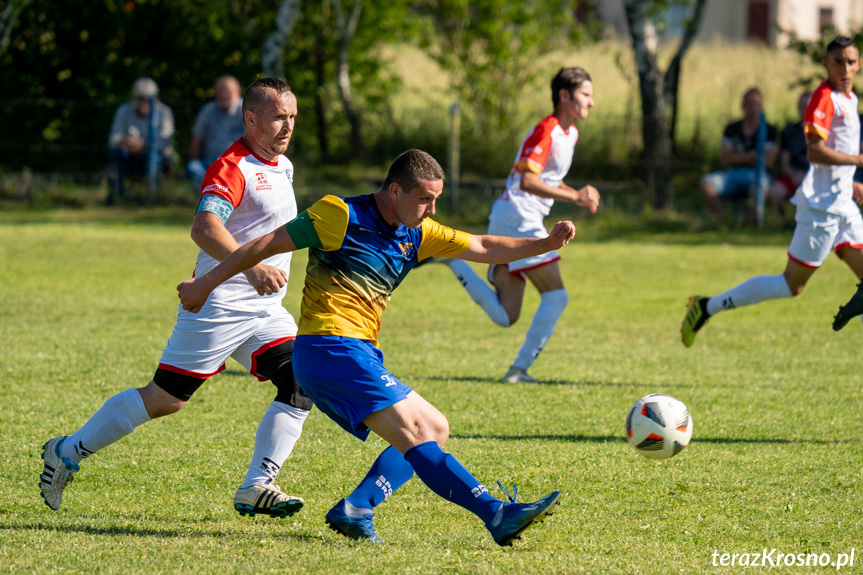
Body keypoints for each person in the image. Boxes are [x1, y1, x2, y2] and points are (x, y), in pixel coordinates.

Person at [177, 149, 573, 546]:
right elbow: (260, 246)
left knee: (435, 427)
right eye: (424, 199)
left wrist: (545, 243)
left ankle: (356, 508)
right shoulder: (339, 214)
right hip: (327, 348)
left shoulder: (419, 232)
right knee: (417, 431)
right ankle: (495, 513)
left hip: (357, 351)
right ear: (395, 190)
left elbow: (484, 246)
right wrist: (203, 284)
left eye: (436, 200)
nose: (432, 209)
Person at [40, 78, 312, 520]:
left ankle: (257, 484)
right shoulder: (232, 166)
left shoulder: (283, 165)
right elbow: (204, 228)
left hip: (264, 310)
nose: (288, 126)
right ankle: (66, 451)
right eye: (279, 117)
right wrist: (252, 267)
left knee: (303, 381)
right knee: (166, 398)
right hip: (221, 304)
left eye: (293, 117)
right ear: (251, 119)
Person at [682, 36, 863, 346]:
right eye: (838, 62)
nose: (845, 68)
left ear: (858, 64)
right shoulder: (824, 98)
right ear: (825, 64)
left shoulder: (850, 98)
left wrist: (851, 179)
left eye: (851, 62)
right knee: (790, 285)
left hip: (844, 203)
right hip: (821, 209)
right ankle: (705, 307)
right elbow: (815, 152)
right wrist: (857, 161)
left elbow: (836, 153)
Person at [438, 67, 600, 384]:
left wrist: (576, 195)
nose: (591, 102)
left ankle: (455, 261)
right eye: (586, 95)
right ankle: (519, 370)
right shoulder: (547, 130)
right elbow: (527, 180)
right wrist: (575, 196)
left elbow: (548, 179)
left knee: (506, 315)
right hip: (519, 216)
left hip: (515, 215)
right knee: (557, 296)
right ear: (564, 97)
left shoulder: (571, 134)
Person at [700, 87, 778, 221]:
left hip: (759, 174)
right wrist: (752, 156)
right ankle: (722, 221)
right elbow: (725, 159)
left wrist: (737, 157)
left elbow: (768, 162)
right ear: (742, 105)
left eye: (756, 104)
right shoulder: (732, 129)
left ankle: (751, 226)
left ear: (761, 106)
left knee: (760, 188)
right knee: (706, 183)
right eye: (749, 104)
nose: (752, 108)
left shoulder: (769, 130)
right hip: (732, 174)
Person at [107, 77, 175, 205]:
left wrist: (144, 144)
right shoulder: (124, 111)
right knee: (115, 154)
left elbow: (165, 140)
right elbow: (113, 139)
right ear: (134, 98)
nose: (144, 102)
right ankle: (117, 196)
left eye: (149, 99)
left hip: (158, 157)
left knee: (156, 156)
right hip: (130, 155)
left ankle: (154, 197)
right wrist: (126, 141)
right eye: (140, 98)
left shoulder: (164, 112)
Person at [186, 75, 245, 190]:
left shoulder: (246, 111)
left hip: (238, 165)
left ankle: (216, 190)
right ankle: (215, 190)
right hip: (211, 165)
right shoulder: (208, 111)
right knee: (193, 168)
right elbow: (197, 138)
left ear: (237, 92)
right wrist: (194, 157)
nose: (223, 95)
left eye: (226, 91)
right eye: (219, 91)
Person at [767, 91, 811, 219]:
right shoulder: (789, 132)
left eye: (810, 106)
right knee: (776, 192)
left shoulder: (824, 132)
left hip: (815, 178)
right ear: (798, 108)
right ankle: (783, 222)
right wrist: (794, 174)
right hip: (793, 176)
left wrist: (808, 177)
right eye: (803, 106)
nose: (806, 109)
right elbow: (784, 164)